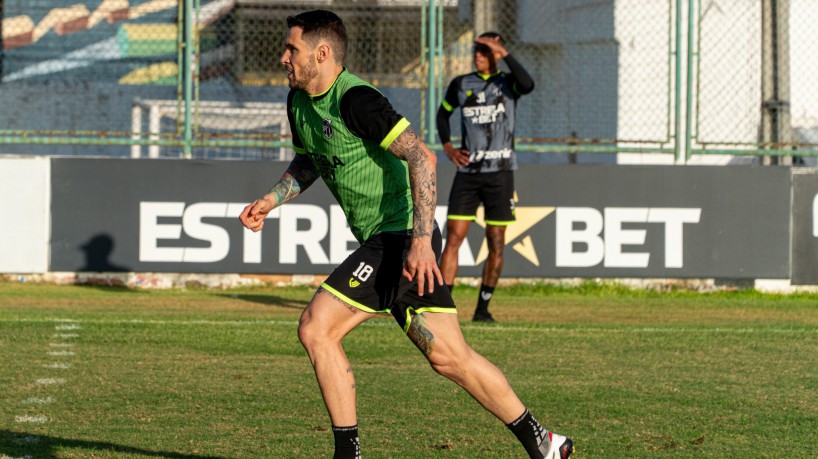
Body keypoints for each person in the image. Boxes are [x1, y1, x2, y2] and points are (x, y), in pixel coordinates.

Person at [239, 10, 572, 459]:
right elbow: (309, 161)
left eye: (291, 49)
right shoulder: (298, 102)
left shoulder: (357, 100)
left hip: (399, 238)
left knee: (317, 329)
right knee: (450, 357)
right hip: (390, 241)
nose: (283, 57)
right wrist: (272, 199)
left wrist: (419, 242)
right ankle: (545, 442)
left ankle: (347, 454)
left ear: (321, 54)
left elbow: (422, 158)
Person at [437, 32, 535, 323]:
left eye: (484, 50)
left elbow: (528, 84)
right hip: (468, 175)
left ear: (496, 52)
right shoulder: (461, 83)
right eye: (476, 50)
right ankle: (444, 307)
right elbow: (443, 116)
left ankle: (482, 308)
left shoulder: (509, 83)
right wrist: (449, 148)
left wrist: (503, 53)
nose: (477, 55)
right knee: (453, 238)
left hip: (500, 174)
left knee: (496, 241)